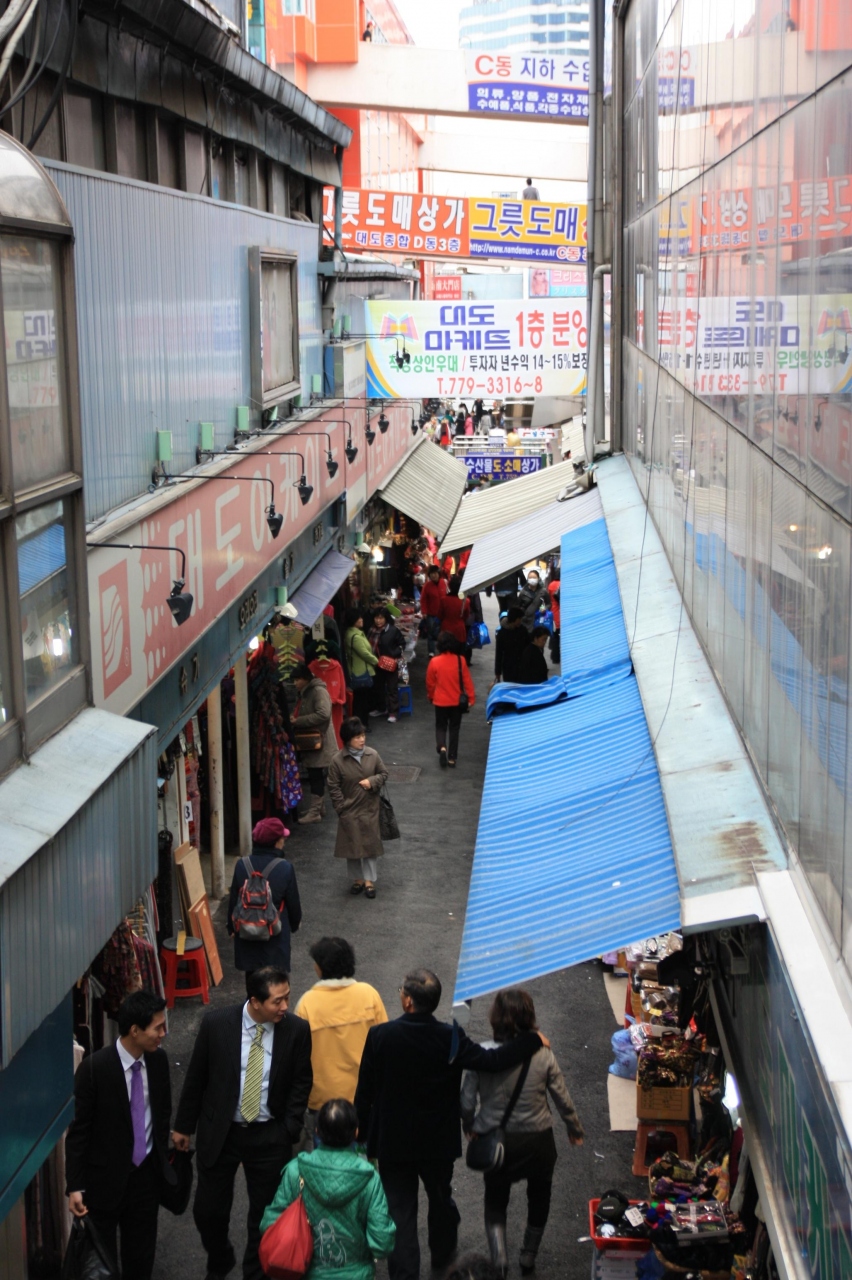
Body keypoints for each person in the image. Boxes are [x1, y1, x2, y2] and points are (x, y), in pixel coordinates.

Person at [355, 970, 549, 1280]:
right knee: (440, 1201)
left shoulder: (381, 1036)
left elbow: (365, 1092)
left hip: (393, 1140)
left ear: (408, 1000)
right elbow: (493, 1061)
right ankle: (444, 1265)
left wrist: (362, 1133)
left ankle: (404, 1275)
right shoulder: (450, 1039)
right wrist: (531, 1040)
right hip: (437, 1142)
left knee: (400, 1212)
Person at [172, 966, 312, 1280]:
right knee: (208, 1211)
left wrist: (288, 1128)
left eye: (287, 997)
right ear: (255, 1001)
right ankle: (220, 1259)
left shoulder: (297, 1030)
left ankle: (255, 1272)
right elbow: (197, 1076)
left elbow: (301, 1081)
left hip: (269, 1135)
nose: (285, 1006)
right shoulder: (216, 1024)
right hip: (222, 1132)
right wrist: (183, 1126)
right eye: (277, 1001)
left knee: (264, 1217)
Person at [461, 989, 584, 1277]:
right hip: (538, 1139)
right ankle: (528, 1255)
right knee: (540, 1194)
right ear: (529, 1017)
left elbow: (466, 1102)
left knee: (495, 1199)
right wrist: (574, 1128)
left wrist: (470, 1126)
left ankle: (499, 1259)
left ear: (495, 1018)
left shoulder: (482, 1054)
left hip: (496, 1140)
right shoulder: (542, 1053)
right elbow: (562, 1097)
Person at [65, 991, 175, 1280]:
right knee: (101, 1263)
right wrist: (75, 1185)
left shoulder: (158, 1061)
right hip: (103, 1183)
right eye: (157, 1028)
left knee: (141, 1259)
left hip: (145, 1179)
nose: (163, 1034)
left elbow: (162, 1112)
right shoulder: (94, 1069)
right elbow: (79, 1133)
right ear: (135, 1030)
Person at [260, 1099, 396, 1280]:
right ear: (356, 1133)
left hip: (306, 1273)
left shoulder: (296, 1170)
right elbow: (382, 1243)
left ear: (317, 1131)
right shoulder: (369, 1178)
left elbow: (269, 1224)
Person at [296, 938, 389, 1135]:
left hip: (322, 1100)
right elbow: (385, 1045)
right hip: (363, 1095)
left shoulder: (307, 1003)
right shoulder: (369, 995)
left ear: (321, 967)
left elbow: (298, 1057)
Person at [228, 817, 302, 973]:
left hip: (247, 934)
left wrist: (232, 928)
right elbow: (293, 903)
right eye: (282, 838)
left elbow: (234, 900)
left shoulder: (242, 865)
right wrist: (295, 925)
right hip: (274, 936)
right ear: (276, 842)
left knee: (253, 982)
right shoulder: (285, 868)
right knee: (276, 982)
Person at [327, 717, 389, 899]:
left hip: (370, 809)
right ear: (348, 739)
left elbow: (384, 773)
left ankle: (369, 881)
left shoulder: (372, 755)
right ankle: (358, 879)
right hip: (350, 810)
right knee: (352, 847)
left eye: (363, 735)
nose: (362, 740)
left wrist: (372, 781)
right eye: (357, 737)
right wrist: (341, 808)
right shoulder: (337, 761)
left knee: (370, 846)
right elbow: (333, 786)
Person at [291, 662, 339, 824]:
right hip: (315, 741)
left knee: (316, 775)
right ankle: (318, 808)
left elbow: (323, 714)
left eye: (297, 679)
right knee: (315, 774)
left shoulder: (317, 691)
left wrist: (298, 721)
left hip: (320, 741)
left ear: (305, 678)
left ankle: (315, 812)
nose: (295, 683)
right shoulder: (307, 692)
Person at [426, 630, 475, 768]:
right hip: (456, 701)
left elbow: (430, 683)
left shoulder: (434, 662)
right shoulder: (461, 660)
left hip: (440, 701)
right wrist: (471, 698)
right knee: (454, 728)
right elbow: (467, 681)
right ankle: (452, 758)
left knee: (441, 726)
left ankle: (442, 747)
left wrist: (431, 697)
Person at [345, 607, 379, 726]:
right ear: (353, 620)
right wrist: (377, 661)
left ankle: (361, 723)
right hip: (360, 672)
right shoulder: (355, 637)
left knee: (361, 700)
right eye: (359, 618)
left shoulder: (354, 633)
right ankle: (361, 724)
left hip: (360, 670)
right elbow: (364, 653)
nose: (361, 619)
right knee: (361, 701)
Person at [369, 608, 404, 722]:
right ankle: (381, 708)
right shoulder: (371, 630)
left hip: (390, 663)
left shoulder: (393, 630)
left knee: (391, 688)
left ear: (386, 619)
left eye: (381, 618)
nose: (378, 621)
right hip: (376, 663)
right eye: (376, 618)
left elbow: (401, 644)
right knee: (378, 687)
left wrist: (392, 655)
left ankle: (393, 712)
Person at [493, 607, 529, 684]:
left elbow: (528, 646)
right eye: (519, 619)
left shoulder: (523, 630)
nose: (520, 621)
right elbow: (499, 653)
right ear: (514, 619)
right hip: (508, 667)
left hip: (522, 666)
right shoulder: (502, 633)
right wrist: (498, 672)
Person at [419, 563, 448, 657]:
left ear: (439, 574)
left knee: (442, 632)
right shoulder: (427, 586)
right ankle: (431, 651)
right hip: (431, 614)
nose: (433, 575)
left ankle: (442, 650)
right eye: (431, 574)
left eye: (435, 573)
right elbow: (423, 600)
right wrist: (424, 612)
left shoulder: (445, 583)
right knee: (431, 633)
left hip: (443, 614)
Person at [438, 575, 470, 652]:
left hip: (446, 628)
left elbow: (440, 615)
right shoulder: (466, 601)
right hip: (460, 629)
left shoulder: (443, 600)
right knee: (459, 653)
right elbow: (466, 616)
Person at [546, 571, 561, 665]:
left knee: (555, 636)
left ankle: (554, 656)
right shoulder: (563, 584)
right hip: (561, 612)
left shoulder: (551, 584)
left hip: (553, 612)